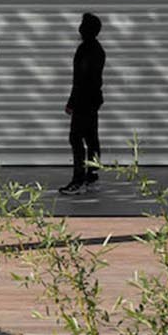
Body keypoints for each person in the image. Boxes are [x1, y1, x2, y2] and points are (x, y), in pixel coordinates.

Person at [59, 11, 105, 196]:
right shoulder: (98, 49)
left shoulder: (86, 49)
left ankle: (78, 181)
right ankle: (92, 176)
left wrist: (72, 102)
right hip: (93, 100)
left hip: (84, 102)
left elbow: (81, 80)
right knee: (91, 139)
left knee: (76, 138)